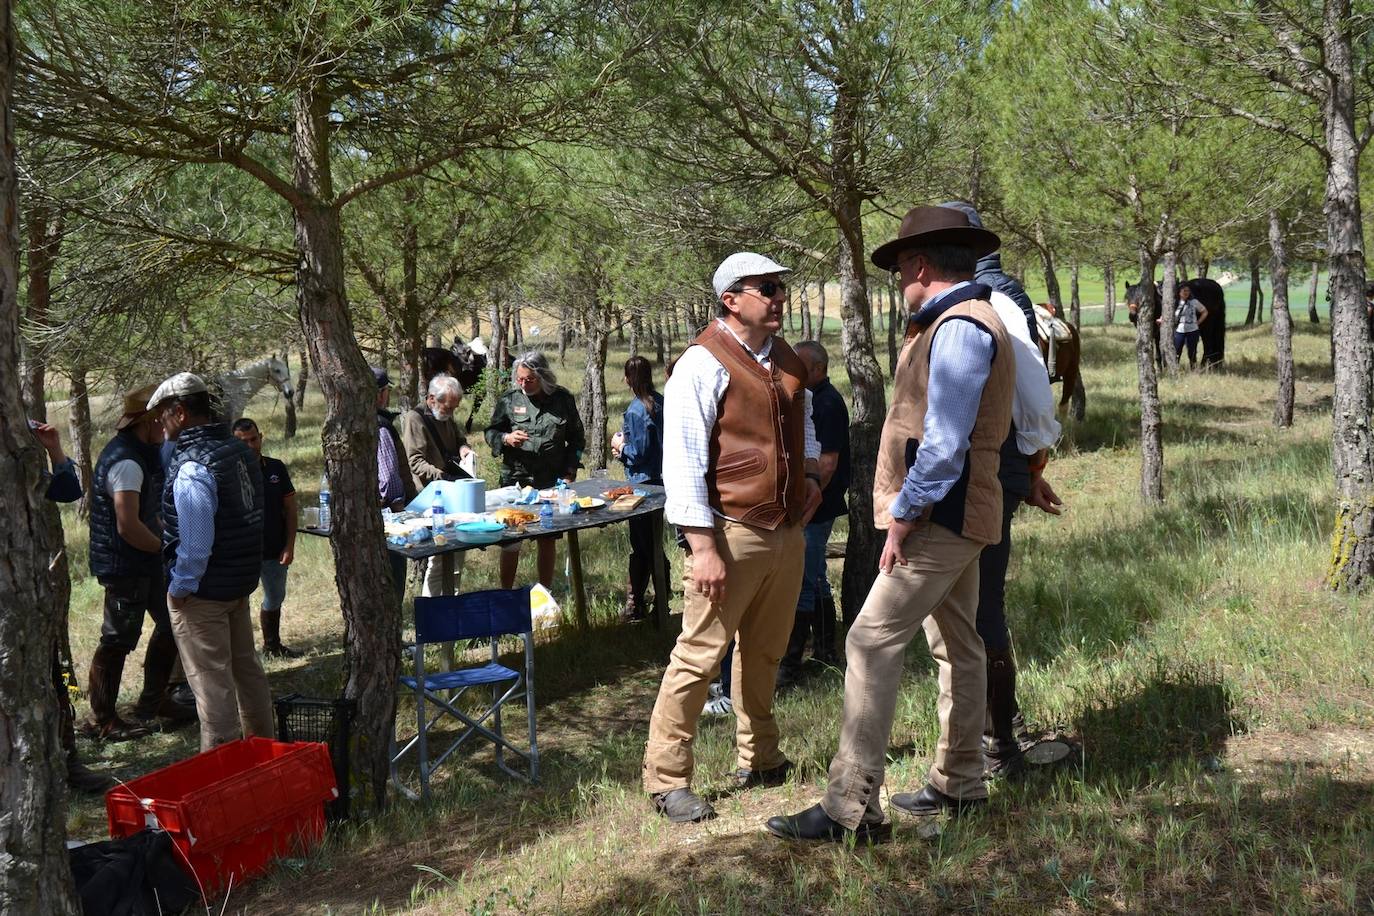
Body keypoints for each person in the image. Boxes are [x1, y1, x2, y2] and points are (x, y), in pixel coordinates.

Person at [767, 206, 1015, 843]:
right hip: (962, 511)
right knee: (957, 643)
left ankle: (852, 808)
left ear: (921, 265)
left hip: (942, 513)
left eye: (902, 265)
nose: (899, 277)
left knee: (869, 640)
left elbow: (944, 443)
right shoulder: (962, 319)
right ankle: (960, 780)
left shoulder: (959, 327)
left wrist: (904, 516)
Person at [643, 251, 823, 824]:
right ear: (731, 299)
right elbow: (684, 463)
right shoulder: (701, 363)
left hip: (787, 529)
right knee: (699, 656)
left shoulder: (786, 358)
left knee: (765, 652)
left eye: (780, 288)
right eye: (765, 288)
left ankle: (762, 759)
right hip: (730, 531)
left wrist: (814, 474)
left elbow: (806, 424)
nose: (777, 297)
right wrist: (703, 548)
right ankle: (667, 779)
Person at [941, 202, 1065, 777]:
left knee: (980, 606)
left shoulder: (988, 300)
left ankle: (999, 744)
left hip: (987, 469)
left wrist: (1028, 467)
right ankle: (990, 739)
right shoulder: (986, 294)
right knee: (973, 604)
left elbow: (1034, 392)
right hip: (995, 467)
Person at [148, 372, 274, 751]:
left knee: (211, 687)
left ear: (181, 412)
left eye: (163, 415)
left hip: (204, 593)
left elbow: (197, 543)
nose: (159, 423)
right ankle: (265, 757)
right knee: (247, 671)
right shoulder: (237, 449)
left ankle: (223, 779)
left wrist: (180, 589)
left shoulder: (192, 466)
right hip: (237, 582)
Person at [83, 385, 197, 743]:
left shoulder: (142, 452)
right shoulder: (128, 462)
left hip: (144, 561)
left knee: (171, 624)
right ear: (146, 420)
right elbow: (129, 526)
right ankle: (102, 719)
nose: (165, 426)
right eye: (159, 419)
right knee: (117, 640)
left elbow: (147, 516)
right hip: (125, 565)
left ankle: (152, 703)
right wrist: (166, 549)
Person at [775, 339, 849, 688]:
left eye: (802, 367)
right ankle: (824, 649)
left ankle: (791, 664)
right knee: (815, 576)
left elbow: (828, 462)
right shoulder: (808, 398)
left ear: (818, 369)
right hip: (809, 505)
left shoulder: (828, 403)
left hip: (816, 507)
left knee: (807, 579)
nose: (794, 372)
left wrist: (809, 499)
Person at [485, 352, 585, 589]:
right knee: (511, 541)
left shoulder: (562, 399)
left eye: (529, 380)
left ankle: (545, 593)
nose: (523, 384)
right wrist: (506, 438)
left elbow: (577, 439)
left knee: (547, 538)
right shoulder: (509, 400)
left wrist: (570, 471)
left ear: (542, 377)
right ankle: (506, 594)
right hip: (515, 481)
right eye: (519, 379)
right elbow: (490, 432)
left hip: (549, 482)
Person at [232, 418, 301, 658]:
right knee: (237, 604)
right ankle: (241, 654)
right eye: (243, 442)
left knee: (275, 597)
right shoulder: (227, 473)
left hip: (274, 548)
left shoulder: (276, 468)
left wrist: (289, 545)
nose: (250, 446)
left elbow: (290, 509)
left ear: (261, 437)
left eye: (253, 439)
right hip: (242, 553)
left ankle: (272, 646)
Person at [400, 373, 473, 596]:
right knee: (439, 558)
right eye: (448, 407)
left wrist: (464, 449)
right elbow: (415, 462)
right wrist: (441, 475)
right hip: (430, 497)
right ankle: (433, 608)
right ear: (432, 399)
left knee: (458, 551)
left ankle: (453, 602)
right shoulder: (416, 418)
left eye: (453, 409)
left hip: (453, 492)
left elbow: (458, 439)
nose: (450, 413)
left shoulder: (444, 414)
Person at [611, 355, 664, 622]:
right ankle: (647, 604)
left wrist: (621, 448)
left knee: (644, 545)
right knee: (651, 544)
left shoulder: (636, 409)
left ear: (628, 378)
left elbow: (640, 452)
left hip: (643, 484)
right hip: (661, 481)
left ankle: (642, 606)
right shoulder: (661, 401)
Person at [373, 366, 412, 600]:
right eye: (387, 390)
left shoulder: (348, 420)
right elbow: (388, 477)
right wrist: (399, 507)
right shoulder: (381, 426)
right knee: (392, 584)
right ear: (380, 394)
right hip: (387, 515)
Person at [1171, 283, 1209, 369]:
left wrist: (1198, 322)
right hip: (1179, 331)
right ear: (1179, 292)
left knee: (1192, 352)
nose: (1186, 292)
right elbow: (1167, 314)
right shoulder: (1175, 303)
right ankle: (1175, 370)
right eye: (1184, 290)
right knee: (1176, 352)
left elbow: (1205, 311)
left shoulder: (1194, 302)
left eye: (1188, 290)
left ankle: (1194, 370)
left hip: (1193, 331)